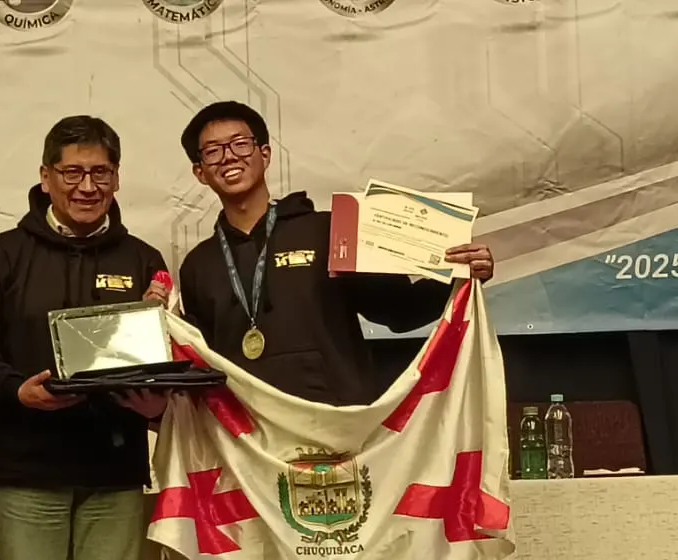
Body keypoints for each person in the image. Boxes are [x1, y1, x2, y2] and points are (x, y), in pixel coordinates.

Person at [0, 115, 170, 560]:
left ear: (116, 178)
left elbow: (161, 357)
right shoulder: (2, 253)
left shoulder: (143, 259)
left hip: (115, 469)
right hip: (28, 468)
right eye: (72, 172)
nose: (87, 187)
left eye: (100, 173)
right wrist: (17, 390)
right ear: (46, 177)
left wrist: (155, 403)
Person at [176, 101, 496, 406]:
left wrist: (461, 277)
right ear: (200, 172)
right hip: (248, 432)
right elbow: (203, 362)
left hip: (337, 422)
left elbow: (400, 310)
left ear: (265, 154)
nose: (229, 157)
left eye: (240, 144)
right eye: (213, 151)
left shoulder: (332, 231)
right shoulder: (198, 266)